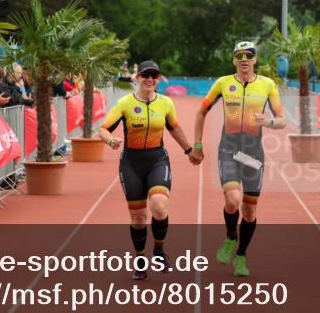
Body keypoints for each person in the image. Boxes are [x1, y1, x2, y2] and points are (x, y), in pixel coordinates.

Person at [191, 41, 285, 277]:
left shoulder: (267, 85)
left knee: (250, 212)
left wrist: (270, 122)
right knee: (233, 200)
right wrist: (198, 144)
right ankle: (231, 237)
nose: (244, 58)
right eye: (239, 55)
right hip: (229, 150)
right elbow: (202, 111)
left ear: (255, 60)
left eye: (249, 55)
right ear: (234, 60)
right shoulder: (223, 83)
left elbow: (282, 119)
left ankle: (241, 255)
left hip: (254, 153)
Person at [98, 60, 196, 281]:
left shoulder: (166, 103)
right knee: (139, 217)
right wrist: (110, 140)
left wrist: (189, 150)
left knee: (159, 206)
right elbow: (103, 129)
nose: (150, 80)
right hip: (131, 163)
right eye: (145, 75)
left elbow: (174, 128)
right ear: (138, 78)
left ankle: (159, 250)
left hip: (157, 160)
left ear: (158, 79)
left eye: (154, 76)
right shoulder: (125, 103)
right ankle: (140, 259)